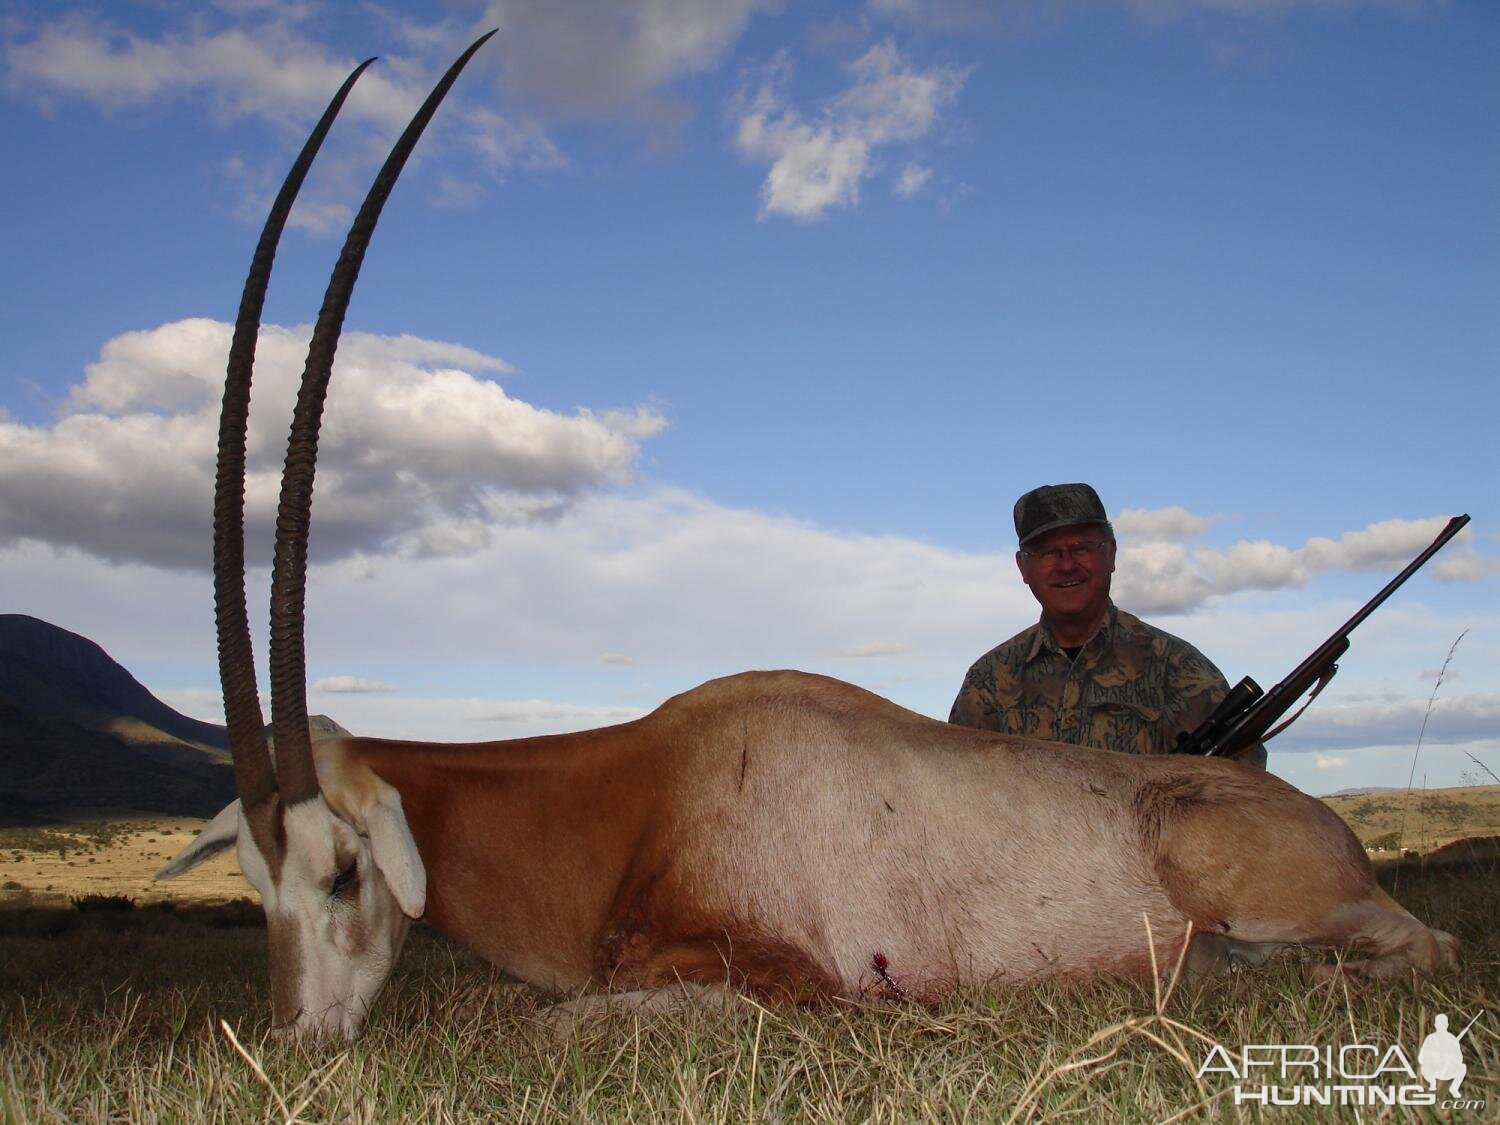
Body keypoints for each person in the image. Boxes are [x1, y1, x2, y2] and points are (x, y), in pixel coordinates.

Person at [949, 482, 1265, 768]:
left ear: (1111, 554)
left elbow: (1242, 798)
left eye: (1081, 548)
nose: (1067, 565)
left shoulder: (1181, 671)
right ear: (1023, 567)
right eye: (1048, 552)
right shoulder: (988, 681)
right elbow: (957, 789)